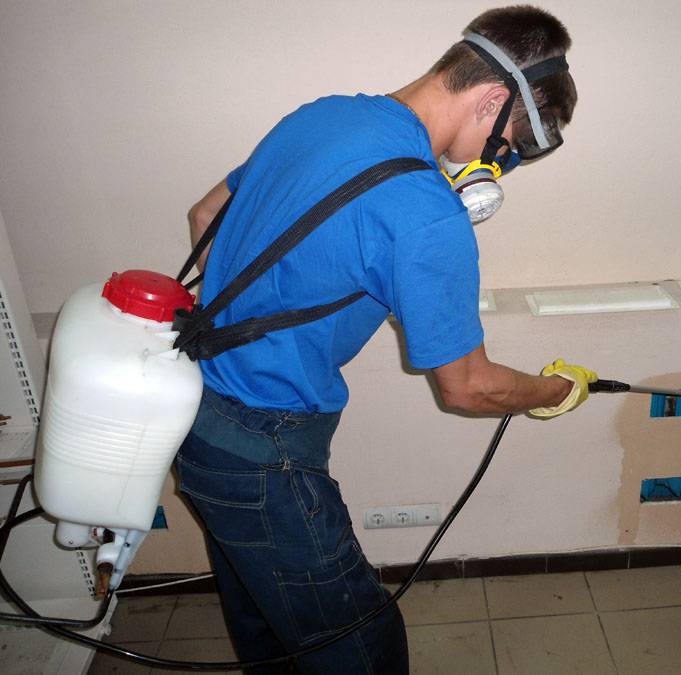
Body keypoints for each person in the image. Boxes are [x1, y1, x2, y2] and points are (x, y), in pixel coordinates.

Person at [176, 5, 593, 673]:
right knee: (360, 648)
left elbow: (206, 216)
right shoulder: (424, 212)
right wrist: (556, 390)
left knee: (269, 627)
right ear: (491, 101)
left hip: (192, 409)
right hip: (265, 450)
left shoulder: (324, 115)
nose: (501, 165)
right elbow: (468, 388)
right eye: (510, 145)